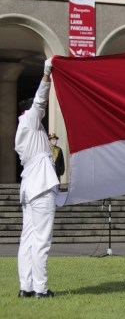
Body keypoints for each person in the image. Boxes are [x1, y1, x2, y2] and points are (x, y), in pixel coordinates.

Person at [15, 58, 58, 298]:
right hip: (40, 187)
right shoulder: (29, 122)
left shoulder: (26, 130)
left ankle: (26, 287)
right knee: (41, 240)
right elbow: (41, 100)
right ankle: (40, 289)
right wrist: (46, 74)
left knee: (28, 239)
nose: (40, 113)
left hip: (30, 188)